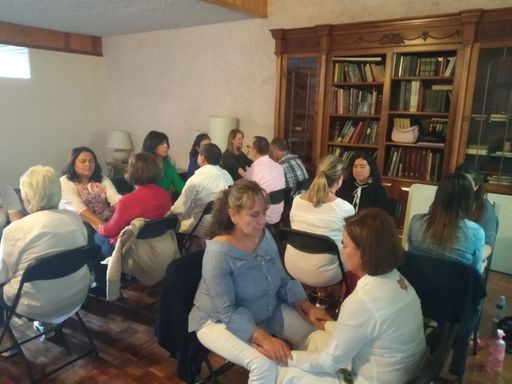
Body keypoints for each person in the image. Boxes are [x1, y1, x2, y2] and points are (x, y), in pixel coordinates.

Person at [189, 179, 331, 384]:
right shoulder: (218, 254)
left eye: (264, 213)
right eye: (255, 215)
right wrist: (263, 337)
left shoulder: (263, 236)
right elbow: (227, 311)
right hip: (216, 321)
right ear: (234, 215)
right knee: (264, 364)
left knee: (315, 336)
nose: (262, 220)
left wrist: (306, 305)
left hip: (264, 309)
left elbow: (282, 278)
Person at [277, 208, 427, 384]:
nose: (342, 251)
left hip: (375, 379)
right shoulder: (400, 281)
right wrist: (328, 324)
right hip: (405, 372)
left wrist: (283, 355)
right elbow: (366, 329)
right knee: (315, 338)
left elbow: (330, 362)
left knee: (283, 372)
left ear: (363, 253)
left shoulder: (362, 300)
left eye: (345, 245)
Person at [0, 166, 89, 325]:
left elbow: (2, 275)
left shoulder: (15, 231)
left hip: (35, 305)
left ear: (26, 196)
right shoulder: (75, 220)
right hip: (76, 295)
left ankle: (7, 340)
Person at [286, 155, 355, 287]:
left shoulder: (297, 200)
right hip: (326, 275)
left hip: (293, 266)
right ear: (340, 179)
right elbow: (352, 242)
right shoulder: (345, 208)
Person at [96, 152, 172, 254]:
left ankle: (103, 269)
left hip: (134, 248)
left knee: (97, 237)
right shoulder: (164, 194)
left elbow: (111, 231)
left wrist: (99, 226)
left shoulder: (127, 201)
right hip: (159, 244)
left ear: (131, 171)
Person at [407, 173, 485, 273]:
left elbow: (411, 257)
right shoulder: (476, 232)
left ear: (438, 196)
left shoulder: (416, 221)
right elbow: (475, 274)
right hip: (455, 288)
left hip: (418, 285)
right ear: (468, 200)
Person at [171, 143, 233, 237]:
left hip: (201, 226)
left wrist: (168, 214)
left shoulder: (196, 179)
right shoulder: (227, 175)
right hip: (222, 224)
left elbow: (180, 208)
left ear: (203, 158)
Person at [59, 146, 121, 239]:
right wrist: (105, 228)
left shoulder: (101, 177)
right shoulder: (65, 181)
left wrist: (125, 214)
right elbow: (79, 209)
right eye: (83, 161)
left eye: (91, 161)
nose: (88, 164)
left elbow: (116, 199)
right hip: (80, 224)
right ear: (73, 163)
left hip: (104, 221)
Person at [455, 163, 498, 265]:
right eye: (458, 182)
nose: (462, 187)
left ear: (476, 186)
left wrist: (475, 260)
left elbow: (488, 243)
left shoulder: (486, 209)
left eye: (467, 183)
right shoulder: (445, 200)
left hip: (469, 257)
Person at [245, 136, 285, 225]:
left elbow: (245, 190)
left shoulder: (254, 169)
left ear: (254, 150)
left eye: (249, 147)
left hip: (263, 216)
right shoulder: (279, 167)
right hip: (278, 215)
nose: (249, 150)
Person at [142, 130, 185, 196]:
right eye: (161, 144)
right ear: (152, 145)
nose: (166, 146)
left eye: (166, 143)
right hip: (147, 202)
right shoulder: (143, 165)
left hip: (163, 202)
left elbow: (180, 186)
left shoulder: (168, 165)